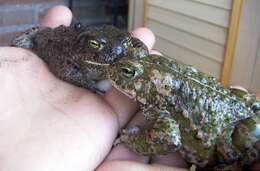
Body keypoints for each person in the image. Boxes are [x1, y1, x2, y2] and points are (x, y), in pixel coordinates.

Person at [0, 6, 258, 171]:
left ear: (146, 86)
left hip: (225, 129)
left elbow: (170, 137)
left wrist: (134, 139)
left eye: (126, 73)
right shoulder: (153, 95)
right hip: (219, 102)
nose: (114, 71)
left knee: (231, 149)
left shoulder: (159, 104)